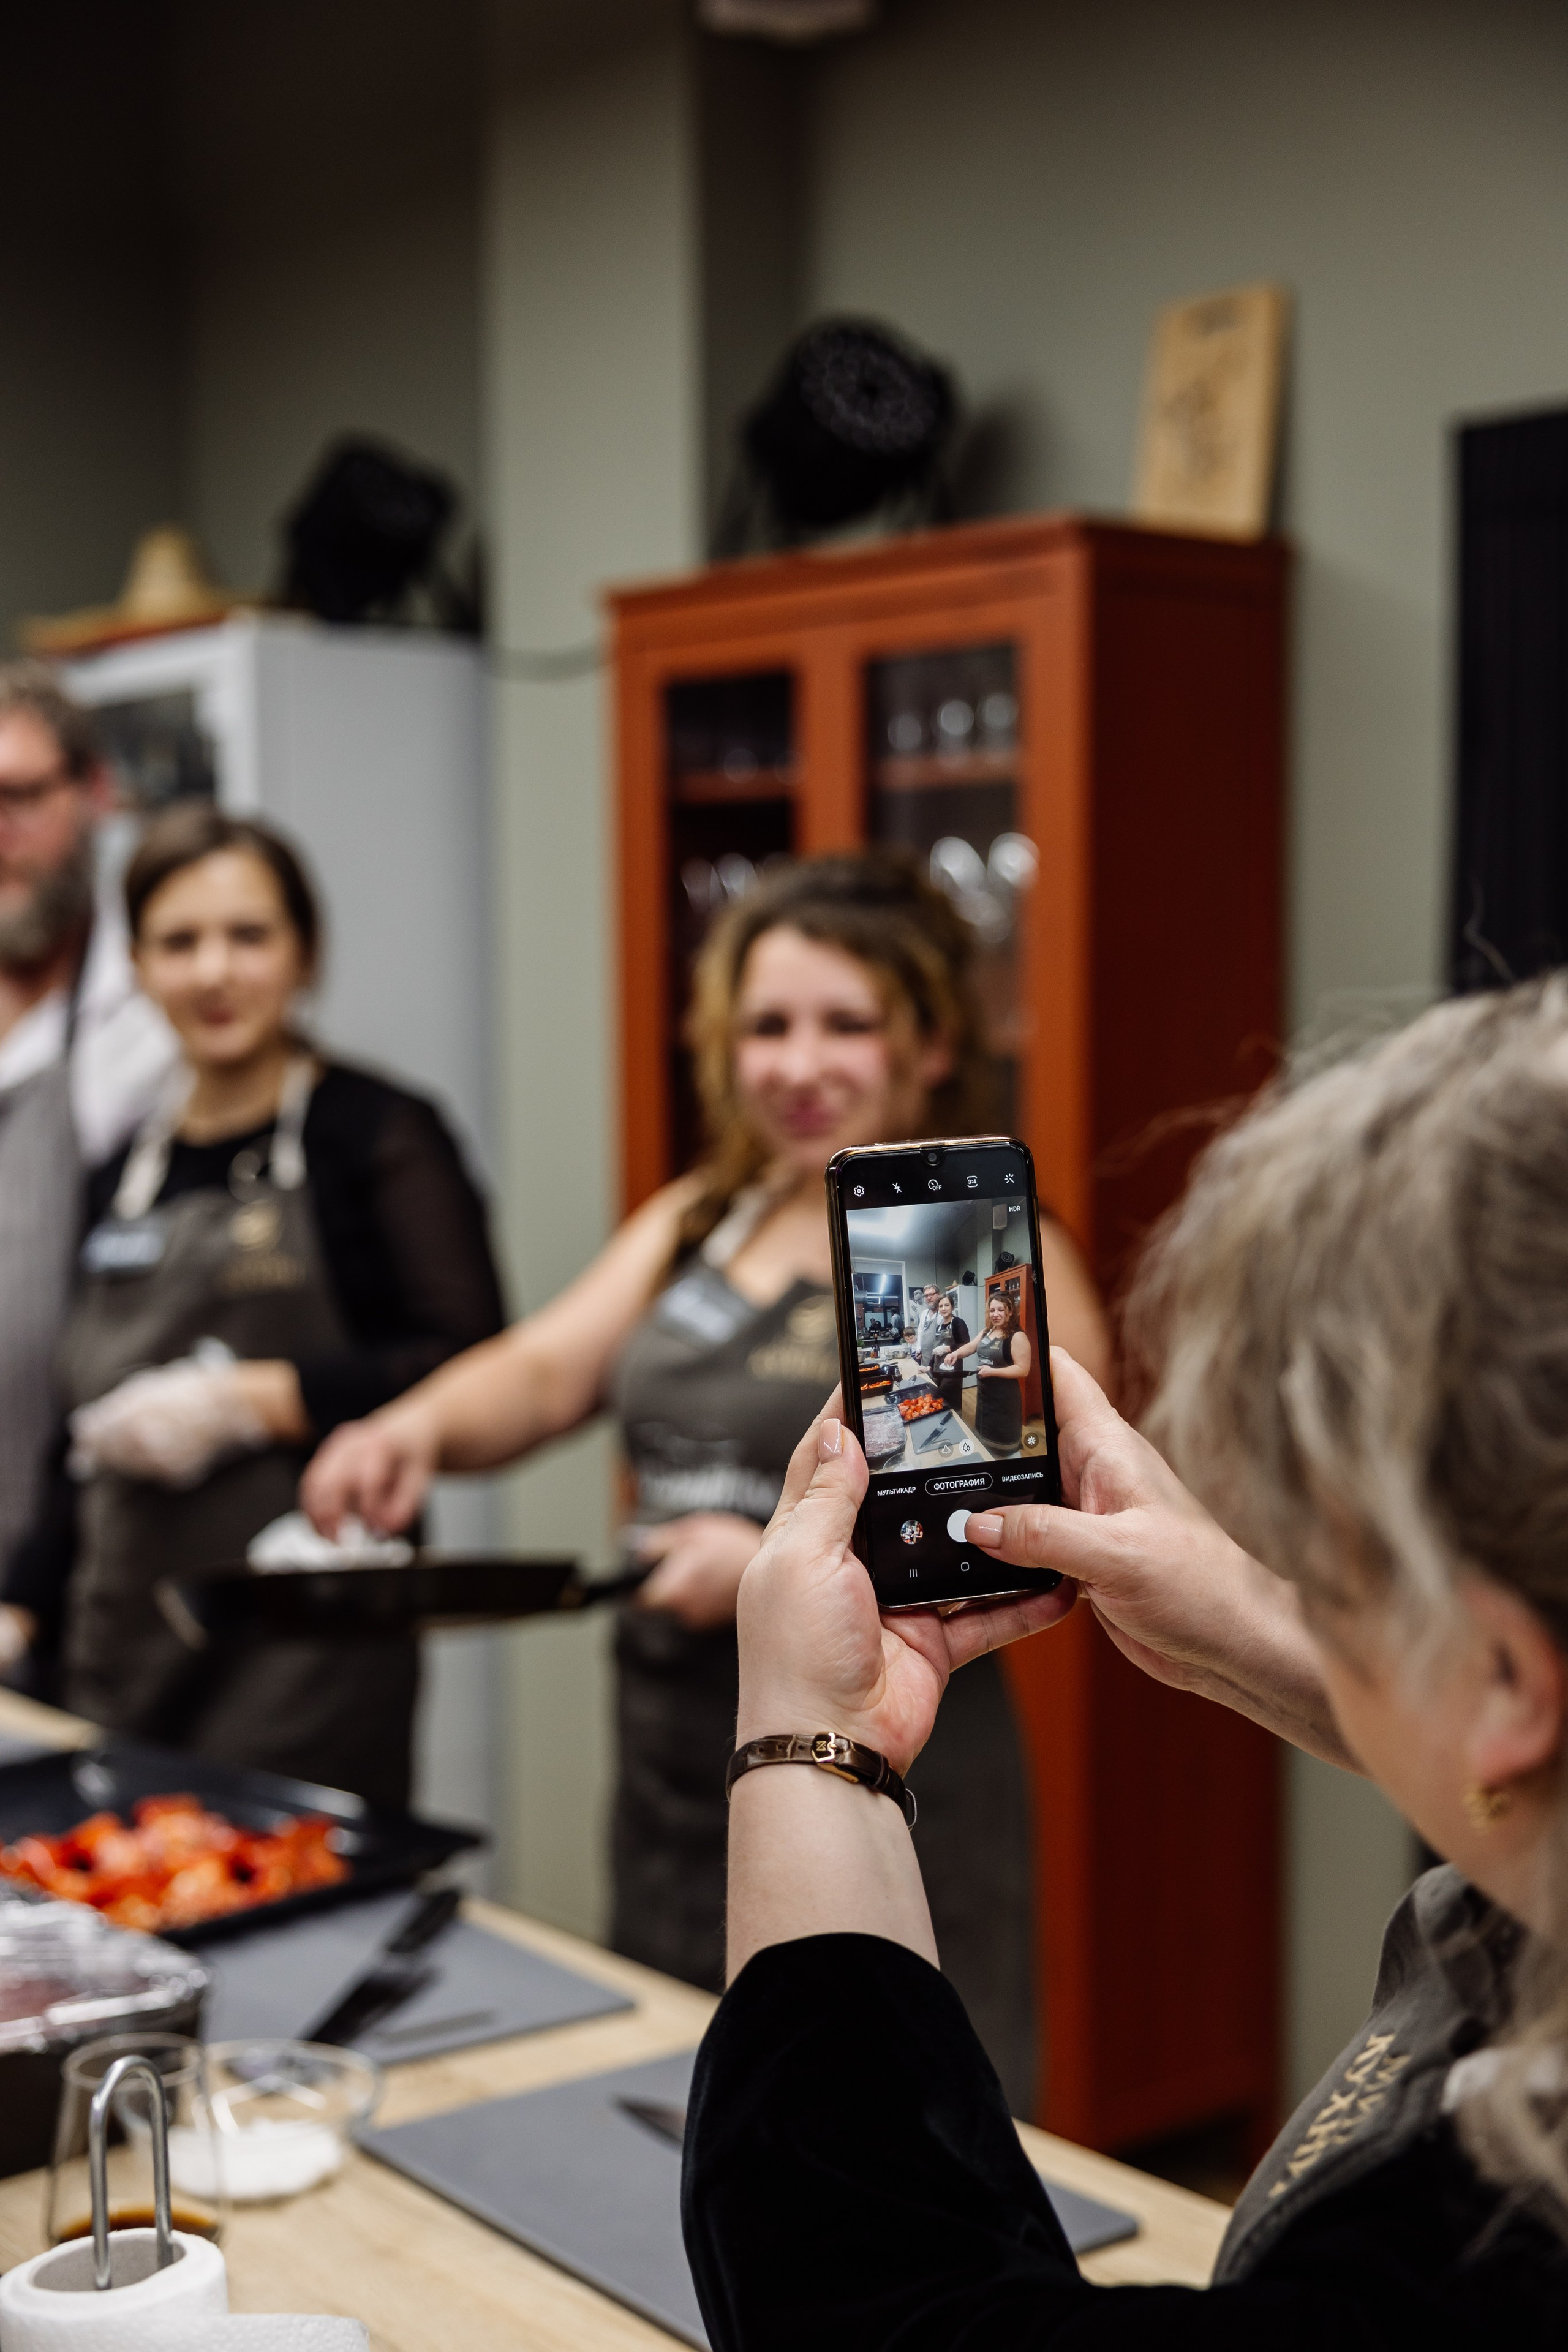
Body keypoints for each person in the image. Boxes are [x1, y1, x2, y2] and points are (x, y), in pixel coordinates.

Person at [682, 978, 1568, 2347]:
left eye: (1321, 1559)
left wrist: (809, 1736)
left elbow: (880, 2308)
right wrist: (1262, 1630)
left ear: (1507, 1682)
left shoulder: (1482, 2257)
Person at [304, 851, 1111, 2106]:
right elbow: (539, 1372)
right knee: (695, 2119)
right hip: (677, 1761)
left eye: (844, 1024)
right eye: (765, 1027)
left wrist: (766, 1567)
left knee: (884, 2128)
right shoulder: (700, 1216)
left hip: (882, 1758)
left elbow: (1026, 1522)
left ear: (927, 1041)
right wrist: (409, 1428)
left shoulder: (959, 1251)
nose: (797, 1065)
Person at [6, 804, 505, 1806]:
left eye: (248, 936)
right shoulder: (121, 1168)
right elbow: (80, 1426)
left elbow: (473, 1359)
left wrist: (265, 1398)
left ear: (304, 954)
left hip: (306, 1651)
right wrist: (20, 1603)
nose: (213, 972)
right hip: (125, 1634)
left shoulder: (374, 1134)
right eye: (178, 942)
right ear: (137, 968)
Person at [0, 665, 178, 1682]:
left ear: (93, 793)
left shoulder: (147, 1024)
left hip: (74, 1571)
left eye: (18, 798)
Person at [943, 1289, 1031, 1453]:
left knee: (1005, 1447)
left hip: (1005, 1400)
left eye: (1001, 1310)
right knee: (985, 1439)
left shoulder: (1017, 1336)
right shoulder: (987, 1332)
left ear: (1011, 1312)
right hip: (985, 1397)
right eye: (992, 1310)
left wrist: (992, 1372)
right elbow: (971, 1347)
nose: (995, 1314)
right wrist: (955, 1353)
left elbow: (1023, 1369)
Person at [927, 1290, 970, 1411]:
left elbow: (966, 1344)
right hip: (938, 1369)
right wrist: (929, 1366)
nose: (944, 1308)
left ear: (952, 1307)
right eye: (941, 1306)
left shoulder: (958, 1323)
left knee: (950, 1398)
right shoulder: (939, 1326)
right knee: (938, 1399)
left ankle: (957, 1424)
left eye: (947, 1305)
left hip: (953, 1370)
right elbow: (936, 1350)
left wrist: (948, 1349)